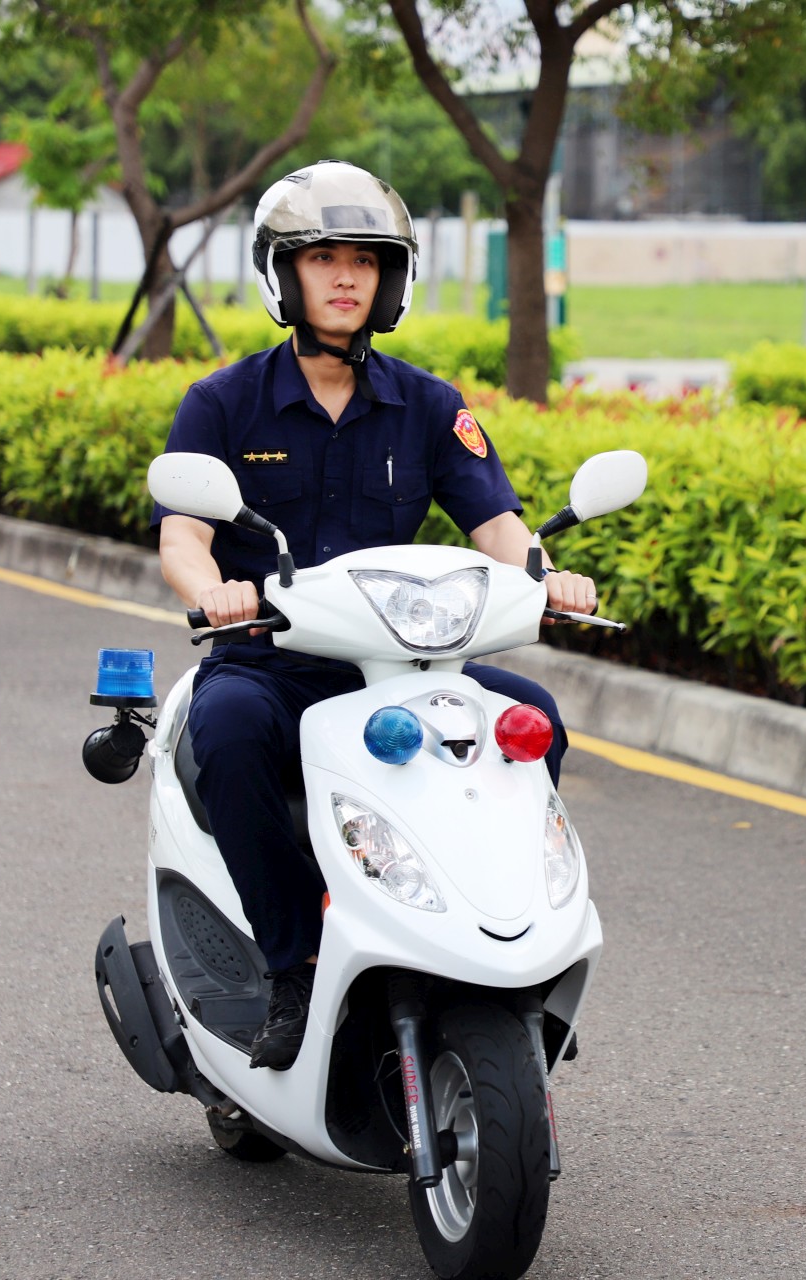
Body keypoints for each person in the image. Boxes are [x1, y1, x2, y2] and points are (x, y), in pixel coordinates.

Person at [151, 160, 598, 1071]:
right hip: (268, 661)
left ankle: (503, 954)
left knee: (534, 725)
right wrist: (212, 593)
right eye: (323, 259)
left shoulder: (430, 407)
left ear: (390, 279)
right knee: (227, 730)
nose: (347, 277)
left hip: (404, 666)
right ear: (286, 274)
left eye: (365, 259)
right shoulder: (224, 402)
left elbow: (498, 523)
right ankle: (292, 964)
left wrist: (548, 575)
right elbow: (184, 535)